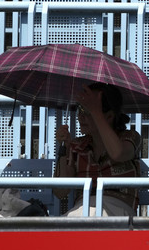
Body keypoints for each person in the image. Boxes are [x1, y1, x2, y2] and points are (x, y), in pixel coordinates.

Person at [55, 82, 142, 216]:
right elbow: (60, 192)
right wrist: (63, 150)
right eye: (80, 109)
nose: (80, 116)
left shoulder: (129, 137)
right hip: (84, 208)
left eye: (88, 110)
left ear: (109, 116)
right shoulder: (77, 146)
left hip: (119, 208)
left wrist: (96, 113)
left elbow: (118, 154)